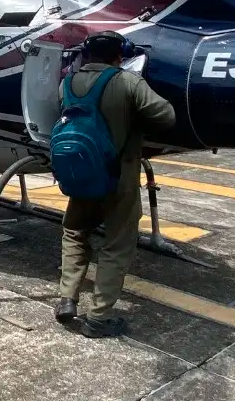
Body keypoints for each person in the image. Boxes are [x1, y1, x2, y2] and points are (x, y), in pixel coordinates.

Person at [54, 31, 176, 338]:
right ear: (118, 56)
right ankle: (97, 319)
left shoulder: (66, 83)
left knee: (74, 232)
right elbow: (166, 116)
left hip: (81, 173)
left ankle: (67, 298)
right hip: (118, 178)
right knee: (116, 245)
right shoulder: (127, 82)